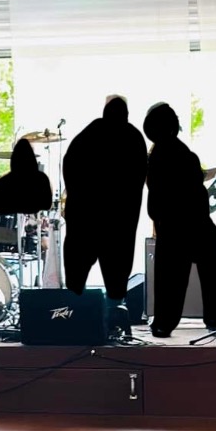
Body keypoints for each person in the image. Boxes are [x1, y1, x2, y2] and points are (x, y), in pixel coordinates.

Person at [142, 102, 216, 338]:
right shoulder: (182, 153)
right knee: (214, 272)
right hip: (195, 221)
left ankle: (163, 324)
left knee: (169, 278)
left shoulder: (156, 155)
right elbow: (195, 185)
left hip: (170, 224)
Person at [62, 96, 148, 304]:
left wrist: (78, 198)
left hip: (85, 218)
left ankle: (73, 312)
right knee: (117, 274)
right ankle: (116, 312)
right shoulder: (133, 137)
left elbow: (69, 166)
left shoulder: (88, 134)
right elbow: (139, 176)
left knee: (77, 272)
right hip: (120, 221)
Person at [0, 137, 53, 219]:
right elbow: (47, 204)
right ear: (32, 158)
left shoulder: (6, 180)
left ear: (14, 159)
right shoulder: (42, 178)